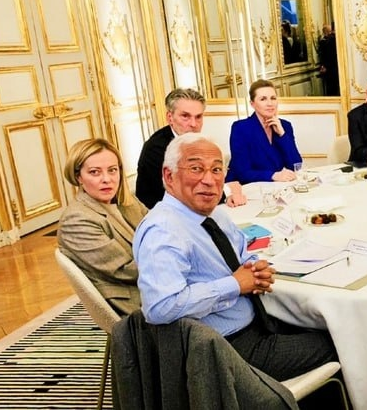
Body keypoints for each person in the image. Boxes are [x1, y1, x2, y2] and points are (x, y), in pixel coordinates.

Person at [133, 133, 337, 382]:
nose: (209, 180)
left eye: (217, 170)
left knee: (331, 326)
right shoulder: (164, 230)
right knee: (342, 343)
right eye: (196, 169)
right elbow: (160, 307)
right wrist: (235, 285)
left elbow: (242, 254)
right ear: (169, 176)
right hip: (223, 349)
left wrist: (256, 268)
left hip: (259, 321)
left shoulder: (214, 215)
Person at [58, 138, 148, 316]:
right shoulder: (76, 220)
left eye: (112, 170)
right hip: (134, 304)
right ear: (78, 177)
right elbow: (125, 271)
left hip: (156, 286)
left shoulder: (127, 202)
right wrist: (177, 261)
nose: (107, 179)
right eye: (94, 172)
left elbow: (161, 232)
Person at [136, 88, 246, 208]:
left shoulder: (193, 141)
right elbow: (181, 196)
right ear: (170, 117)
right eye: (185, 116)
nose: (193, 124)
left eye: (198, 117)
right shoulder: (156, 148)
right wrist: (226, 190)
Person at [227, 80, 302, 184]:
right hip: (243, 186)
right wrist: (273, 175)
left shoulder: (285, 126)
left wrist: (282, 135)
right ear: (252, 104)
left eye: (273, 98)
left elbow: (296, 165)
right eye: (263, 99)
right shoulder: (240, 128)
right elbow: (242, 172)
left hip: (273, 186)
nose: (270, 103)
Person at [316, 25, 339, 96]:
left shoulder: (326, 41)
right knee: (333, 90)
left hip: (330, 69)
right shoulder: (329, 40)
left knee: (332, 90)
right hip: (332, 69)